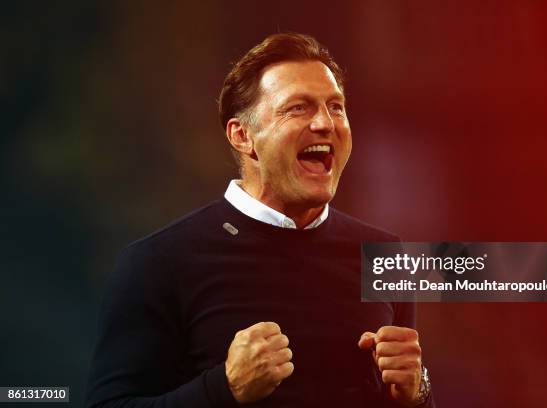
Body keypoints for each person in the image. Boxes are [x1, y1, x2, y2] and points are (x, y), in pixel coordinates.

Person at [85, 32, 434, 407]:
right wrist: (223, 389)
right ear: (242, 136)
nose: (325, 123)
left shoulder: (383, 254)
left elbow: (405, 392)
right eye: (298, 108)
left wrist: (418, 394)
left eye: (336, 107)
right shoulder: (157, 262)